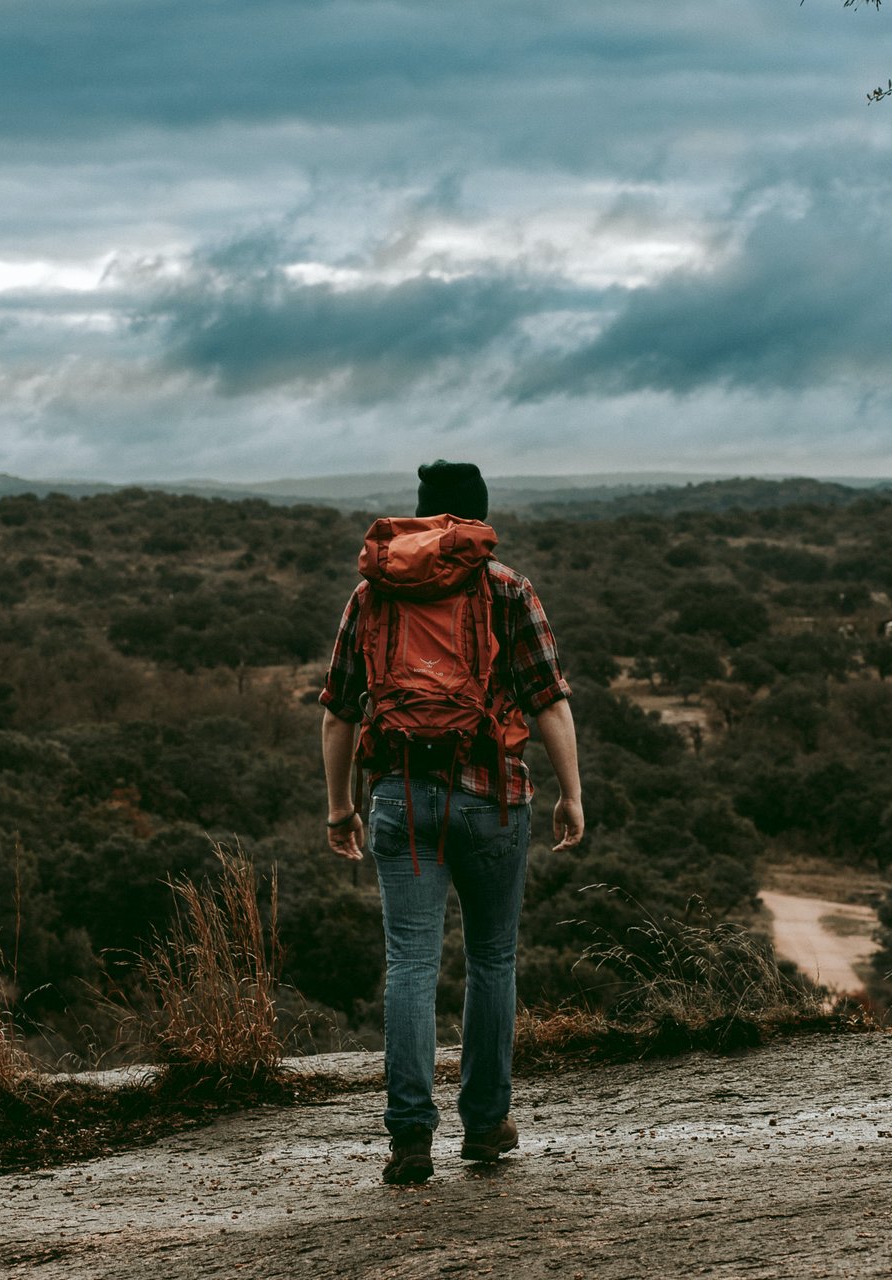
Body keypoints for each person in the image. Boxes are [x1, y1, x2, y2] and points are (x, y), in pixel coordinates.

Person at [318, 459, 583, 1186]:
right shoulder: (505, 587)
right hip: (493, 795)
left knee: (409, 963)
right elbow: (549, 698)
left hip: (400, 796)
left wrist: (340, 805)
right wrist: (572, 793)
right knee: (492, 960)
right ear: (478, 515)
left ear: (423, 513)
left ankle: (409, 1138)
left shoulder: (373, 593)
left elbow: (339, 708)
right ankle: (487, 1125)